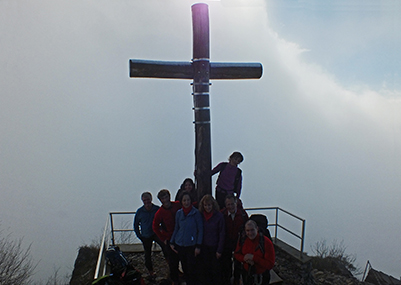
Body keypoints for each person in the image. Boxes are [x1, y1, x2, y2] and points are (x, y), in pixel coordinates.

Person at [170, 192, 203, 285]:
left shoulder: (196, 213)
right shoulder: (179, 213)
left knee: (191, 268)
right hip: (180, 244)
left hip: (191, 245)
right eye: (184, 200)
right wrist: (172, 242)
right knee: (184, 267)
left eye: (188, 200)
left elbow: (200, 230)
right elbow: (177, 228)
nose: (186, 202)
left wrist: (198, 245)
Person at [152, 189, 182, 285]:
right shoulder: (160, 212)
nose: (165, 200)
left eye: (166, 197)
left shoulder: (177, 204)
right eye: (163, 198)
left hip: (181, 236)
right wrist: (163, 239)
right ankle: (175, 281)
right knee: (173, 263)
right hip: (169, 239)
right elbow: (155, 226)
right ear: (160, 200)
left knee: (185, 259)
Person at [133, 192, 166, 279]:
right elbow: (135, 225)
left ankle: (170, 266)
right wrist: (139, 236)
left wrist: (163, 232)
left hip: (157, 233)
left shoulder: (157, 209)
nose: (146, 202)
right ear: (142, 201)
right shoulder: (140, 211)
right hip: (146, 236)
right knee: (147, 254)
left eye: (148, 200)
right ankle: (150, 271)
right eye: (144, 200)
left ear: (151, 199)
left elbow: (163, 221)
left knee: (165, 248)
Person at [234, 220, 275, 285]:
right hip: (247, 274)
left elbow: (270, 264)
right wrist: (244, 258)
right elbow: (236, 254)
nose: (250, 233)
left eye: (252, 230)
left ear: (257, 229)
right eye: (248, 230)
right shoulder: (243, 240)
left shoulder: (266, 242)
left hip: (261, 276)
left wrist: (254, 258)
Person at [221, 194, 249, 285]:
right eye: (228, 204)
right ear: (225, 205)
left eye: (232, 204)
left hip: (239, 242)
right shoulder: (222, 214)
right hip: (226, 242)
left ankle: (237, 279)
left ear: (236, 203)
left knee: (238, 262)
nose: (230, 206)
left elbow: (247, 227)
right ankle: (227, 279)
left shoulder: (243, 214)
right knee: (226, 262)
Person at [198, 194, 225, 285]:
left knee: (216, 270)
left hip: (215, 246)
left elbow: (222, 233)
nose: (207, 207)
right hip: (204, 246)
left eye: (209, 205)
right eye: (205, 205)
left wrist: (219, 250)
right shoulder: (200, 216)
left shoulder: (219, 216)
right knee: (205, 269)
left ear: (213, 205)